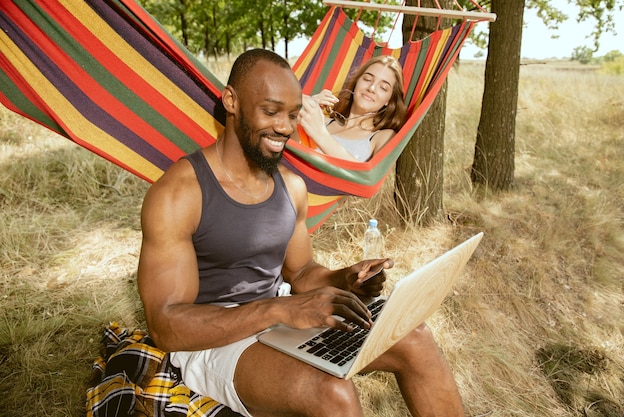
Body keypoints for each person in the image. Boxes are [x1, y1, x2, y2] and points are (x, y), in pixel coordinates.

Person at [137, 48, 464, 417]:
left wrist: (347, 279)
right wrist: (278, 309)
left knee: (414, 338)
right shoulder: (179, 193)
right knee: (332, 392)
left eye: (293, 115)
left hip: (277, 319)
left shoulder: (290, 187)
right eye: (271, 111)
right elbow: (166, 325)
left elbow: (303, 272)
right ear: (231, 101)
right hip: (212, 342)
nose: (284, 127)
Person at [297, 55, 408, 161]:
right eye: (367, 79)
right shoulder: (320, 121)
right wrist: (305, 107)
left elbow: (367, 177)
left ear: (388, 101)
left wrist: (320, 135)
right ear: (356, 83)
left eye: (383, 88)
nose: (372, 88)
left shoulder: (383, 137)